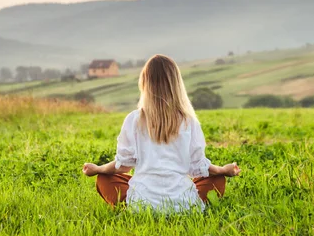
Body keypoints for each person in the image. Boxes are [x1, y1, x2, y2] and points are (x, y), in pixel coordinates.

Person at [82, 54, 241, 212]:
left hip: (141, 203)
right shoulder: (189, 121)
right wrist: (223, 171)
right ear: (176, 84)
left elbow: (122, 166)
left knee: (104, 179)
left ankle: (132, 207)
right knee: (217, 179)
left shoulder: (133, 119)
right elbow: (197, 167)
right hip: (184, 203)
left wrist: (98, 169)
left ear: (144, 83)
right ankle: (187, 205)